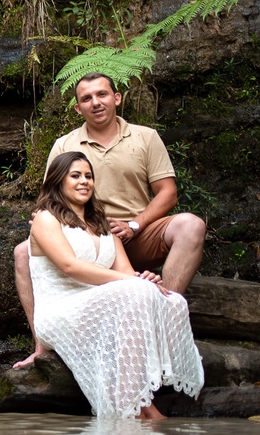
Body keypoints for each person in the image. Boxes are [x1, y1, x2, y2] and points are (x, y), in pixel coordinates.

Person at [14, 73, 206, 367]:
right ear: (78, 108)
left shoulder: (145, 137)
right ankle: (42, 344)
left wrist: (134, 225)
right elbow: (49, 197)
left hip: (138, 233)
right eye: (87, 98)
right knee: (22, 252)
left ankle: (162, 318)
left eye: (102, 95)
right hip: (87, 238)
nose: (96, 103)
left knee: (191, 224)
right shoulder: (65, 144)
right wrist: (44, 224)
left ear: (117, 98)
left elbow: (167, 193)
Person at [28, 151, 203, 419]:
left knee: (169, 298)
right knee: (134, 289)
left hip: (95, 303)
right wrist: (131, 282)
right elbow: (69, 266)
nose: (84, 181)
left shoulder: (101, 223)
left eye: (88, 176)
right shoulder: (45, 218)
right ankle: (133, 405)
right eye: (75, 176)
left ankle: (140, 403)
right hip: (59, 309)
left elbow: (125, 271)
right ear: (58, 181)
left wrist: (145, 279)